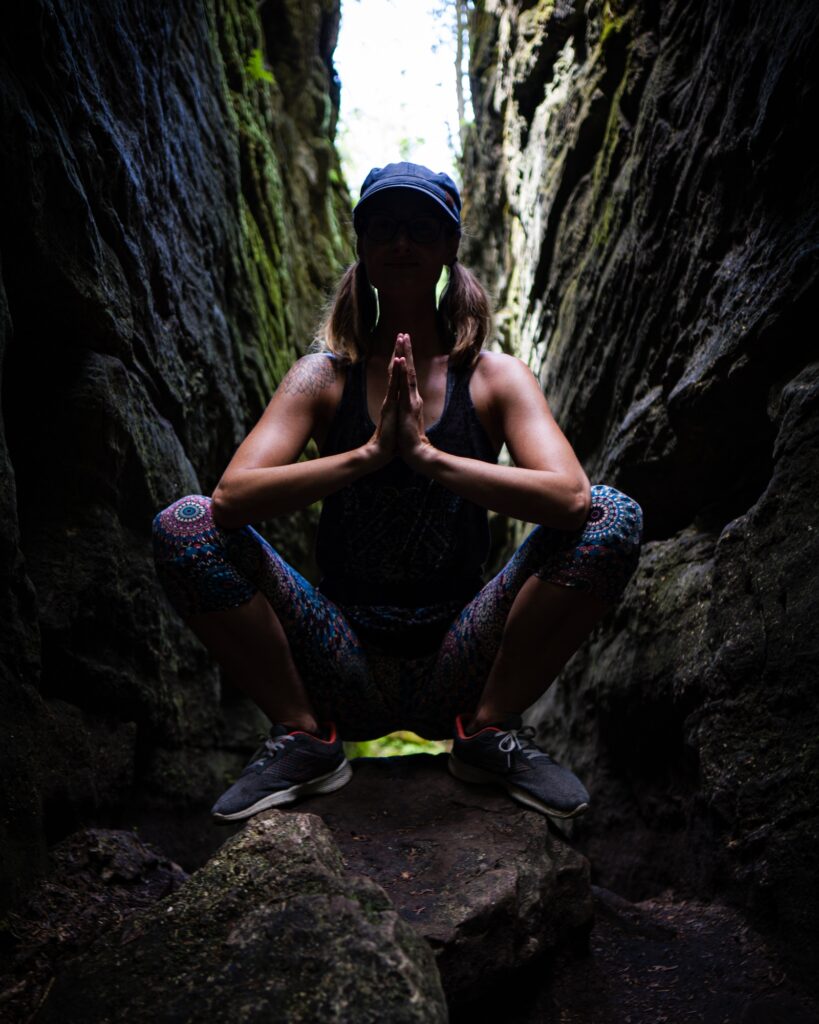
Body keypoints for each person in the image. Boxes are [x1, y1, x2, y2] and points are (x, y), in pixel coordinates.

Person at [152, 161, 642, 824]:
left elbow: (571, 500)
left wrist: (427, 458)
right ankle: (303, 736)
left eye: (420, 229)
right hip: (341, 656)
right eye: (383, 228)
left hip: (457, 657)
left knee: (614, 513)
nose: (401, 242)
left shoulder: (494, 377)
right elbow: (231, 499)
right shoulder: (321, 377)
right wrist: (370, 454)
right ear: (362, 248)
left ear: (448, 248)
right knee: (185, 524)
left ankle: (488, 731)